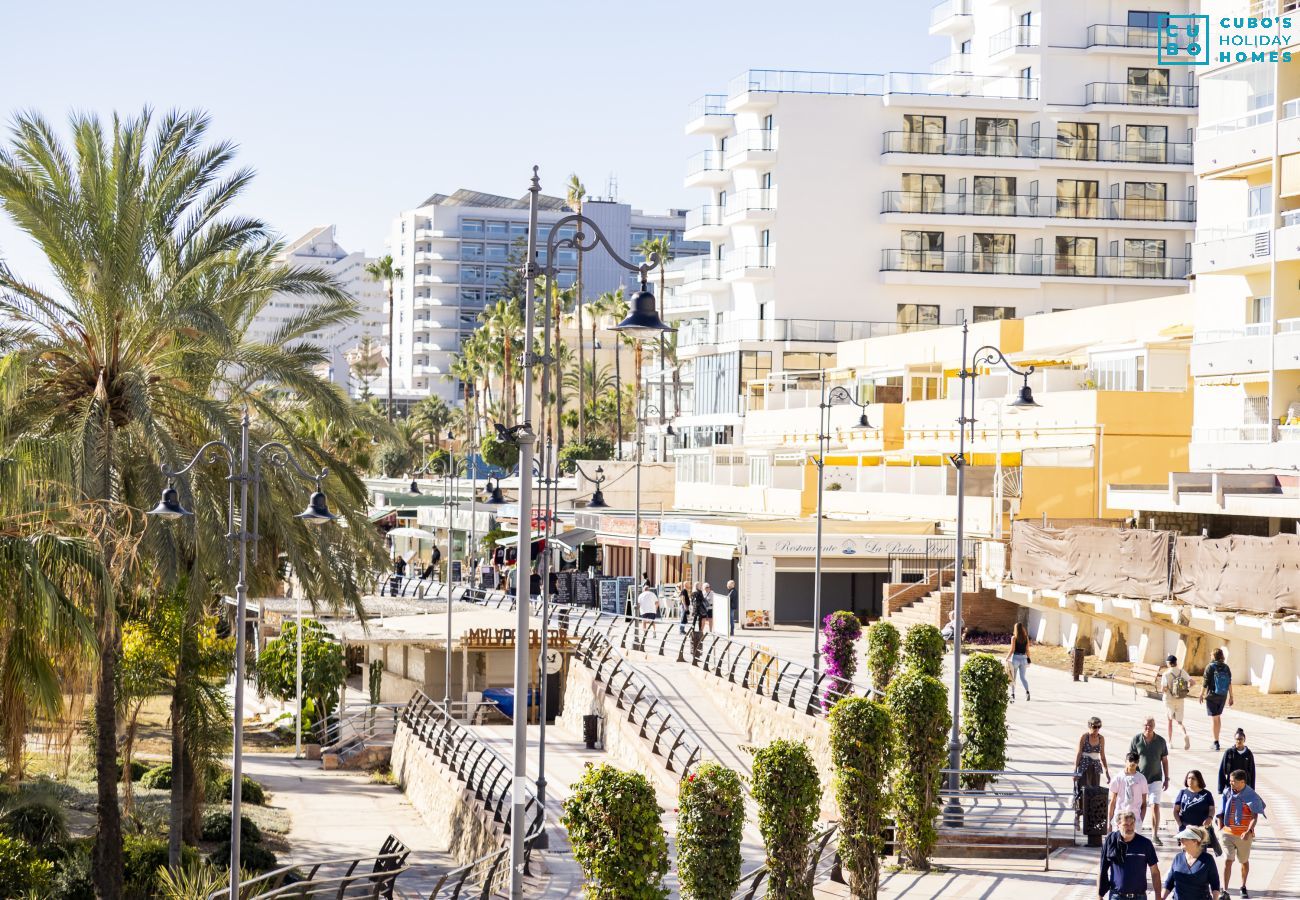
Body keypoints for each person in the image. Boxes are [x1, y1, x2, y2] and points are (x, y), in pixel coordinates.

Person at [1217, 769, 1266, 899]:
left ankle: (1243, 886)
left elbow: (1254, 816)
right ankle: (1225, 890)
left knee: (1243, 861)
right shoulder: (1227, 793)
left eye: (1233, 782)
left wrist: (1248, 831)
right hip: (1227, 833)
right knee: (1228, 860)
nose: (1231, 784)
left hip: (1244, 835)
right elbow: (1220, 811)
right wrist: (1219, 826)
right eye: (1230, 781)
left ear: (1242, 782)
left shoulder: (1251, 796)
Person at [1098, 809, 1161, 900]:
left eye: (1132, 824)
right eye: (1126, 825)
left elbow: (1155, 872)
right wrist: (1099, 895)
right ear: (1118, 825)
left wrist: (1158, 896)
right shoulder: (1111, 842)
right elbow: (1102, 870)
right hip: (1117, 896)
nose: (1130, 827)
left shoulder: (1145, 843)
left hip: (1139, 897)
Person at [1131, 717, 1171, 844]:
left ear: (1154, 726)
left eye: (1150, 725)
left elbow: (1164, 760)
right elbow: (1131, 759)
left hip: (1156, 779)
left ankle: (1154, 835)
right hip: (1139, 778)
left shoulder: (1160, 741)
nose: (1148, 727)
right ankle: (1136, 832)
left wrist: (1167, 778)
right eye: (1146, 725)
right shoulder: (1136, 740)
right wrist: (1130, 776)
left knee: (1155, 805)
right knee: (1139, 806)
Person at [1162, 825, 1221, 900]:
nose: (1181, 840)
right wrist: (1161, 898)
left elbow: (1215, 885)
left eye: (1185, 838)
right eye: (1181, 838)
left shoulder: (1208, 859)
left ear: (1195, 841)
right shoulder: (1178, 857)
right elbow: (1169, 883)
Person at [1200, 649, 1234, 751]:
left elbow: (1205, 683)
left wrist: (1201, 694)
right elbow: (1229, 683)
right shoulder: (1226, 667)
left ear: (1213, 656)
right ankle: (1217, 739)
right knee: (1218, 717)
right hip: (1223, 695)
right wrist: (1231, 696)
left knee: (1214, 719)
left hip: (1212, 696)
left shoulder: (1210, 667)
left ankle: (1216, 742)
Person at [1109, 751, 1150, 832]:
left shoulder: (1141, 779)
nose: (1133, 763)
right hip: (1119, 817)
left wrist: (1140, 821)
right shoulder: (1118, 778)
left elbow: (1144, 803)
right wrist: (1110, 822)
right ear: (1125, 761)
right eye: (1130, 760)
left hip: (1135, 818)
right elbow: (1113, 802)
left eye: (1135, 761)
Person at [1160, 654, 1192, 751]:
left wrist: (1168, 690)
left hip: (1169, 700)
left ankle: (1169, 742)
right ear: (1176, 662)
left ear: (1169, 663)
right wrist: (1186, 689)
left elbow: (1163, 688)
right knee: (1179, 722)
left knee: (1169, 721)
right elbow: (1193, 682)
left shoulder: (1166, 674)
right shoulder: (1182, 672)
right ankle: (1185, 734)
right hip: (1180, 699)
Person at [1216, 729, 1255, 794]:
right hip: (1231, 787)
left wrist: (1252, 789)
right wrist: (1220, 789)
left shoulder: (1248, 753)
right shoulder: (1229, 753)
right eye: (1237, 739)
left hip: (1244, 787)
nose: (1239, 741)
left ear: (1244, 740)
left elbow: (1252, 772)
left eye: (1241, 739)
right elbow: (1222, 771)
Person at [1076, 716, 1111, 790]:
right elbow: (1079, 753)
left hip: (1095, 766)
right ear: (1089, 726)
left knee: (1094, 790)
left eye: (1099, 727)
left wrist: (1107, 771)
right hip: (1084, 765)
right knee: (1084, 789)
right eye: (1095, 727)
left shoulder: (1101, 738)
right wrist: (1075, 770)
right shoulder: (1084, 737)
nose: (1097, 729)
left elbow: (1103, 756)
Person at [1007, 621, 1031, 702]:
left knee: (1014, 678)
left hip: (1016, 658)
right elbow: (1027, 650)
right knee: (1023, 677)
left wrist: (1007, 658)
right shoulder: (1026, 637)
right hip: (1024, 658)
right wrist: (1029, 659)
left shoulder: (1014, 638)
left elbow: (1012, 650)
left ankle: (1013, 694)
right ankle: (1027, 692)